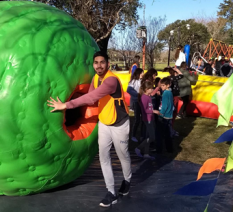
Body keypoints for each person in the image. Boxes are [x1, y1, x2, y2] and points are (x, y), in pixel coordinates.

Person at [47, 51, 131, 207]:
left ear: (107, 63)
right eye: (96, 62)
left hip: (119, 124)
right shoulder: (95, 79)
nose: (99, 65)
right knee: (103, 156)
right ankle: (111, 192)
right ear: (93, 64)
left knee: (123, 155)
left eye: (102, 62)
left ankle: (127, 180)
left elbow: (92, 97)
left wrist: (65, 105)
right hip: (104, 123)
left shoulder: (111, 80)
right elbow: (90, 96)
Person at [135, 81, 160, 160]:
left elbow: (149, 107)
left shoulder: (148, 96)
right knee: (152, 137)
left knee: (148, 136)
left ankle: (146, 153)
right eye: (151, 88)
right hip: (147, 119)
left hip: (150, 118)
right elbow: (144, 110)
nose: (152, 89)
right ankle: (138, 148)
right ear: (146, 89)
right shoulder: (144, 98)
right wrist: (153, 111)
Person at [127, 68, 145, 142]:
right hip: (136, 102)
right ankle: (133, 135)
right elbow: (129, 90)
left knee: (143, 119)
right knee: (137, 119)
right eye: (141, 73)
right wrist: (138, 95)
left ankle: (142, 135)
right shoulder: (134, 81)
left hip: (143, 101)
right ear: (138, 74)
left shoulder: (143, 81)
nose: (143, 74)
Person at [159, 77, 174, 152]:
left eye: (163, 85)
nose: (162, 87)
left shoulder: (165, 93)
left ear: (168, 85)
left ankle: (161, 148)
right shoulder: (170, 92)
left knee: (163, 133)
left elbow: (165, 106)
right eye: (161, 85)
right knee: (168, 133)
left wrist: (160, 115)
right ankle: (169, 148)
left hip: (165, 116)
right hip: (170, 115)